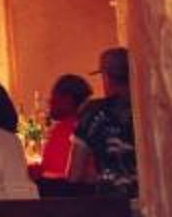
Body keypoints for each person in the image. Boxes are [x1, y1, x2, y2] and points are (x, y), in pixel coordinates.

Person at [68, 47, 138, 194]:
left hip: (109, 202)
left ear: (107, 77)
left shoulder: (93, 112)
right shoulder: (151, 111)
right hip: (152, 200)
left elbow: (74, 175)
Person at [37, 73, 90, 181]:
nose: (50, 101)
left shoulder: (69, 129)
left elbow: (58, 177)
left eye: (54, 95)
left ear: (67, 99)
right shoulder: (86, 125)